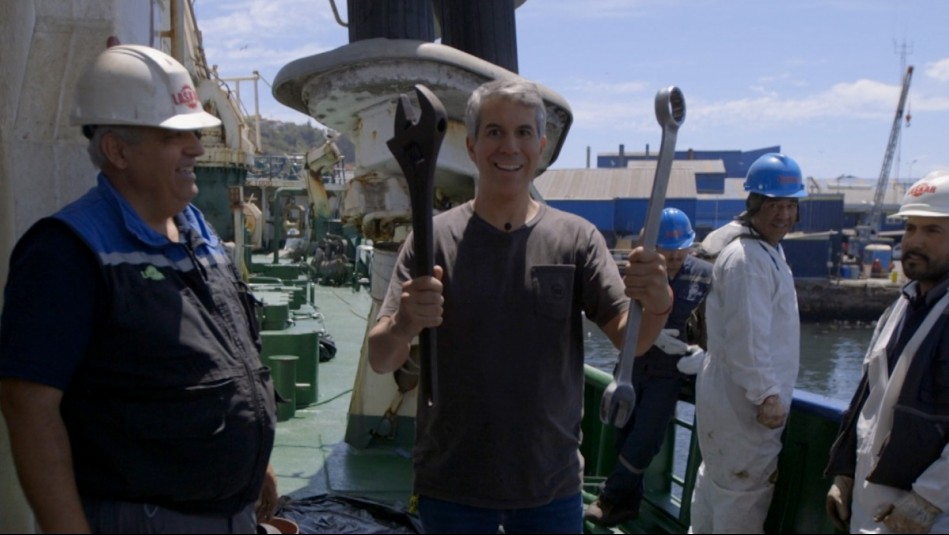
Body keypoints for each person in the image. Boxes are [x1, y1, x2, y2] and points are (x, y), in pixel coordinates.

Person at [366, 78, 673, 534]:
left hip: (551, 490)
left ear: (541, 148)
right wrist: (405, 323)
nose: (509, 146)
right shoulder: (432, 241)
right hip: (452, 488)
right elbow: (381, 357)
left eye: (523, 132)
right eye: (494, 131)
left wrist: (659, 301)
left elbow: (634, 339)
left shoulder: (577, 239)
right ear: (471, 147)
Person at [0, 44, 277, 533]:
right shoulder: (66, 251)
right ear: (117, 150)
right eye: (174, 135)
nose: (196, 148)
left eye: (195, 133)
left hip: (229, 515)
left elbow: (227, 354)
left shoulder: (198, 232)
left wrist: (258, 463)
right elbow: (28, 404)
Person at [824, 170, 949, 534]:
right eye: (910, 228)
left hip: (929, 516)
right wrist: (846, 474)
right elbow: (869, 399)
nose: (915, 241)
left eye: (932, 230)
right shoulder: (902, 307)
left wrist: (929, 500)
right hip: (874, 505)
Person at [689, 153, 807, 533]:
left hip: (729, 395)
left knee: (717, 484)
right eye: (774, 205)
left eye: (790, 205)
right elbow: (748, 337)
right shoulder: (748, 259)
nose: (784, 215)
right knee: (740, 493)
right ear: (754, 204)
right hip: (746, 404)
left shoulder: (763, 249)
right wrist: (767, 395)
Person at [584, 208, 712, 527]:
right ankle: (629, 503)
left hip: (671, 371)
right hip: (634, 363)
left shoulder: (705, 275)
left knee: (645, 436)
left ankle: (610, 496)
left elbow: (720, 323)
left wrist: (703, 352)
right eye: (667, 253)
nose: (674, 259)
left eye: (680, 252)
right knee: (623, 431)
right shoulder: (638, 274)